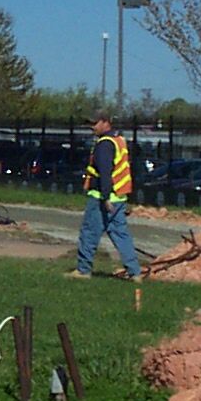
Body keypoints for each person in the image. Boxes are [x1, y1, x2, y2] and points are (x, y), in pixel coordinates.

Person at [69, 110, 142, 280]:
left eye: (94, 123)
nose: (91, 127)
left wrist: (106, 197)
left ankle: (83, 270)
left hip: (102, 198)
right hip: (119, 198)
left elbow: (105, 172)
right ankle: (135, 272)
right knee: (121, 235)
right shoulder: (119, 140)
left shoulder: (105, 144)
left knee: (89, 233)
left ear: (105, 122)